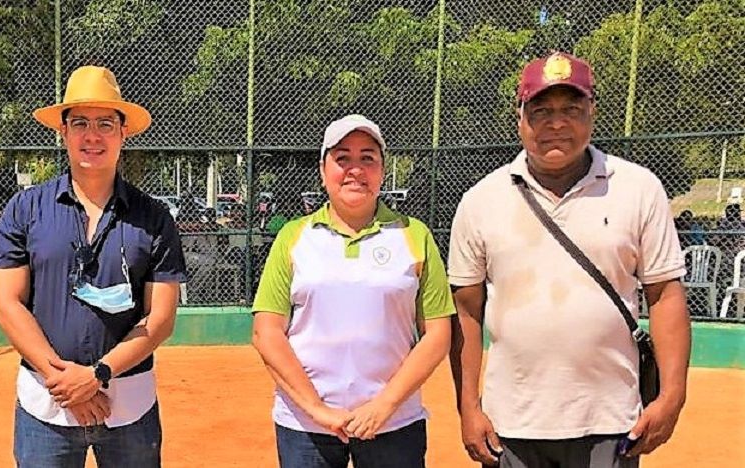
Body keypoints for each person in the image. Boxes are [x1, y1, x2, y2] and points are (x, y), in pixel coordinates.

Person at [447, 52, 690, 467]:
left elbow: (665, 294)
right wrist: (468, 407)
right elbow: (466, 310)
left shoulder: (638, 189)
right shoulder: (481, 200)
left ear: (592, 111)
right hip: (512, 422)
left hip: (610, 419)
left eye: (571, 109)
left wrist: (673, 395)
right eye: (541, 111)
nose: (556, 124)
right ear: (520, 116)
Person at [0, 65, 186, 467]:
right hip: (47, 405)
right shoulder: (25, 209)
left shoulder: (154, 218)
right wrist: (64, 384)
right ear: (63, 132)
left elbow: (161, 318)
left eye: (104, 124)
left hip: (129, 406)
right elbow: (6, 303)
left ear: (123, 132)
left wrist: (97, 374)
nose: (92, 135)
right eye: (79, 123)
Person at [252, 114, 455, 468]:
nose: (355, 170)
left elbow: (437, 334)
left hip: (394, 422)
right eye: (342, 158)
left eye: (367, 158)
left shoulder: (415, 235)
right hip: (305, 424)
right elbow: (266, 332)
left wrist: (384, 406)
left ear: (382, 170)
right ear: (323, 170)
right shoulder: (293, 237)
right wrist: (317, 409)